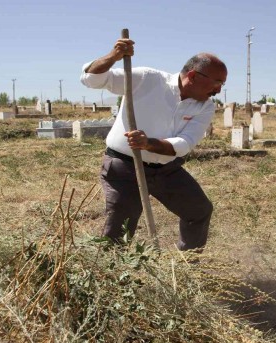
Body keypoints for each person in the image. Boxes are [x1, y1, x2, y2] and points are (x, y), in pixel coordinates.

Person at [80, 37, 227, 251]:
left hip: (167, 170)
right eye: (217, 83)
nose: (218, 90)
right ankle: (110, 277)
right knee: (120, 229)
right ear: (193, 76)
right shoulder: (147, 79)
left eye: (222, 84)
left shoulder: (205, 106)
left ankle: (188, 264)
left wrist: (148, 143)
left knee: (199, 210)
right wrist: (114, 56)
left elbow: (185, 143)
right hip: (124, 167)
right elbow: (91, 79)